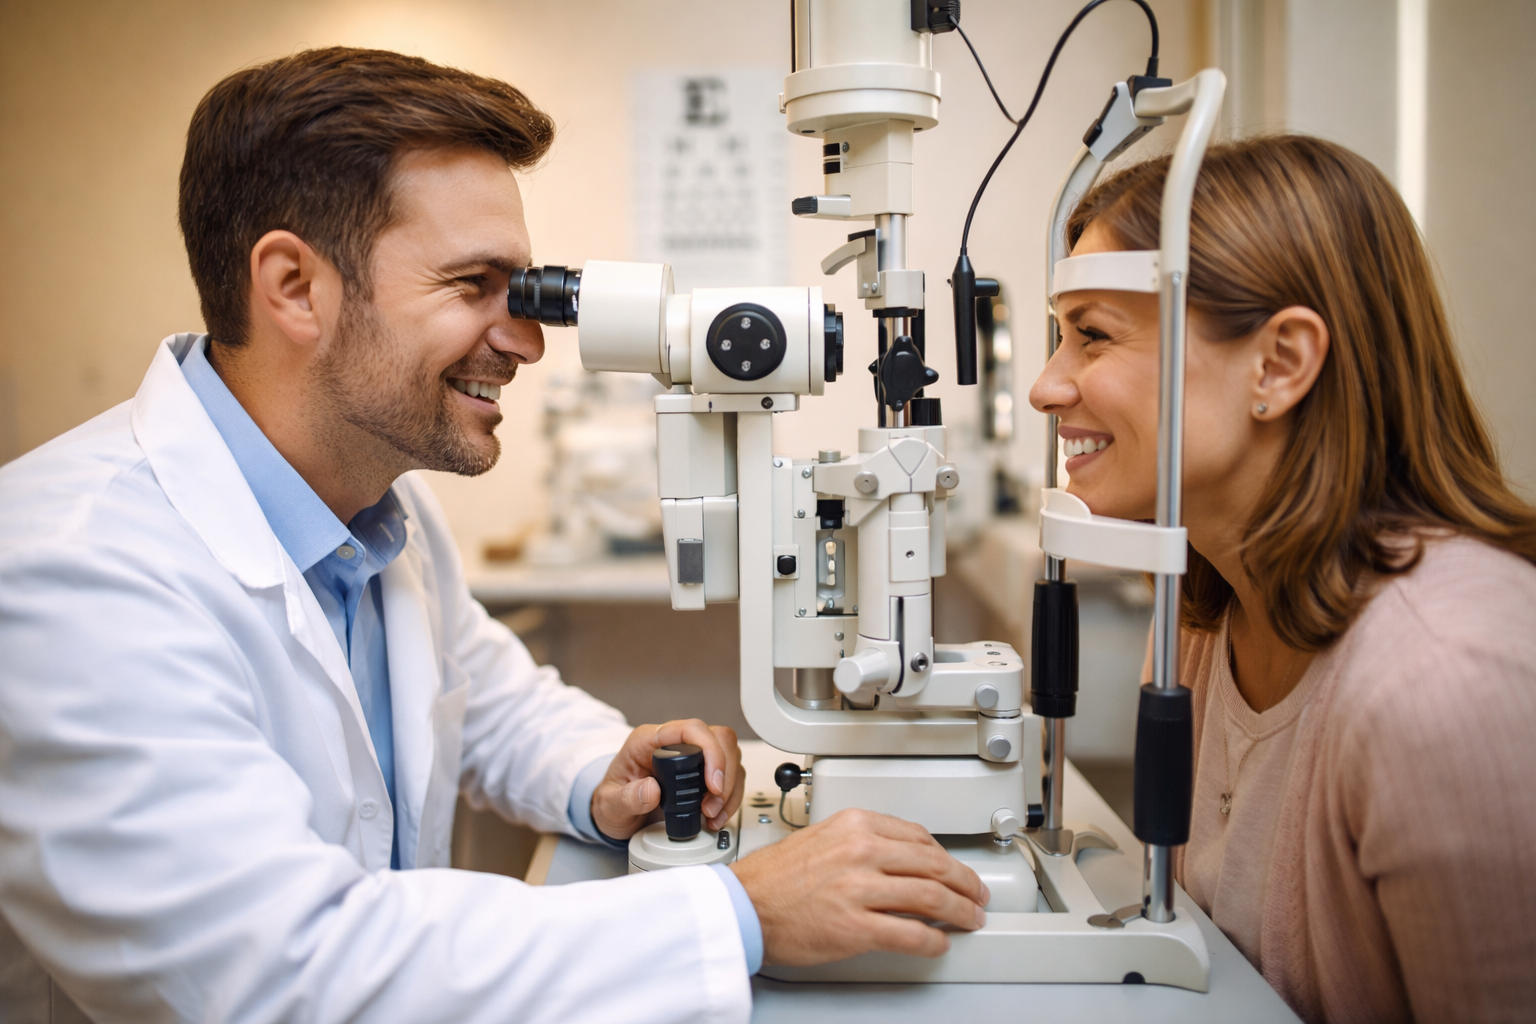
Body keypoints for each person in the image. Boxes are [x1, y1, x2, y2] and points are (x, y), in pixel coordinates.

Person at [0, 48, 991, 1024]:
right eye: (476, 285)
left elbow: (485, 706)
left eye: (525, 290)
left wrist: (602, 768)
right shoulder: (72, 574)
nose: (525, 338)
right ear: (295, 287)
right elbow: (277, 970)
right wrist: (739, 911)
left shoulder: (380, 509)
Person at [1031, 134, 1536, 1023]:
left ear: (1279, 364)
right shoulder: (1204, 610)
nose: (1046, 388)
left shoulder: (1452, 680)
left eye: (1093, 338)